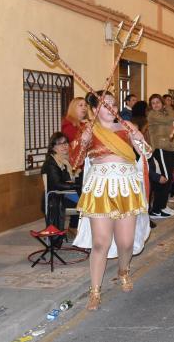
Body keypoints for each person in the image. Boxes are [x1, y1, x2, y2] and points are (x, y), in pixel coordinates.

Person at [70, 91, 149, 311]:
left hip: (126, 187)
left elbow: (146, 153)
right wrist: (82, 142)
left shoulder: (126, 127)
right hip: (100, 188)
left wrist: (139, 140)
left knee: (125, 242)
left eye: (113, 104)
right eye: (105, 105)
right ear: (95, 109)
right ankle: (95, 291)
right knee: (100, 242)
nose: (111, 108)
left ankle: (123, 271)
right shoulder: (88, 130)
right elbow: (75, 160)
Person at [41, 132, 80, 247]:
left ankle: (74, 229)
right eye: (60, 144)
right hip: (56, 198)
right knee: (86, 202)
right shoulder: (51, 163)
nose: (64, 146)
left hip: (64, 194)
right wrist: (77, 185)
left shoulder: (65, 161)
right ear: (53, 147)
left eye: (66, 143)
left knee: (86, 198)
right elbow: (57, 184)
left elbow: (68, 179)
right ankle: (80, 232)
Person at [147, 94, 174, 217]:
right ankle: (157, 209)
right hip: (160, 148)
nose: (155, 105)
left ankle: (162, 205)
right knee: (164, 178)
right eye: (153, 103)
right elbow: (169, 119)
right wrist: (169, 106)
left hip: (168, 148)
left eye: (157, 102)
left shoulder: (164, 113)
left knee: (168, 177)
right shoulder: (153, 115)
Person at [61, 97, 88, 233]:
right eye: (80, 105)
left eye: (85, 105)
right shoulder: (68, 126)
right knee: (84, 194)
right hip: (75, 168)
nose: (84, 108)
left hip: (84, 165)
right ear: (73, 108)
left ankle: (74, 226)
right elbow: (78, 143)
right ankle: (76, 226)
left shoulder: (82, 125)